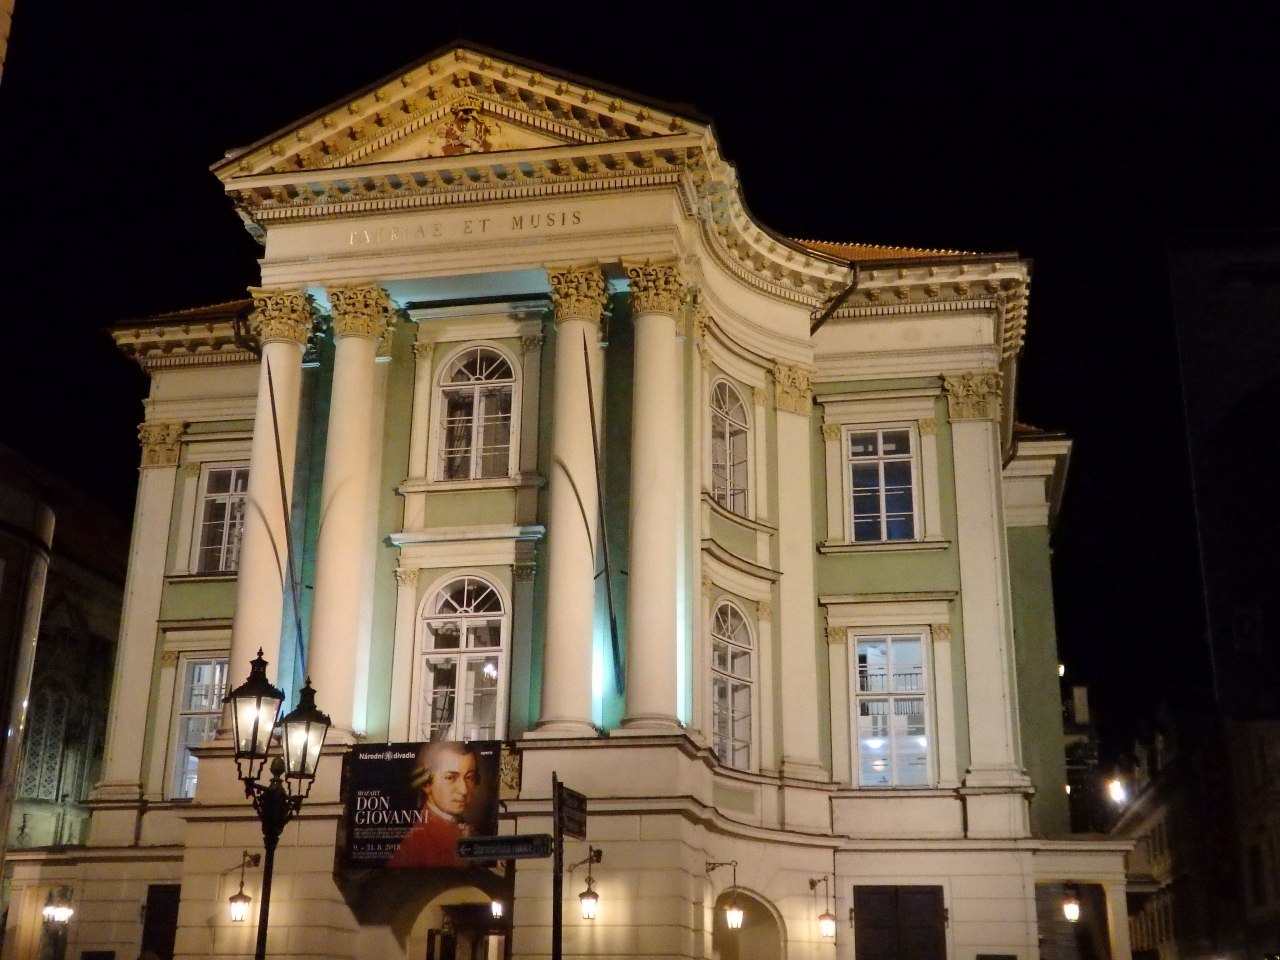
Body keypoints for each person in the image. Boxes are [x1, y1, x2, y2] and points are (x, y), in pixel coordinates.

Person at [386, 741, 479, 868]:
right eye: (451, 777)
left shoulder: (457, 824)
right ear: (427, 783)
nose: (464, 790)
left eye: (469, 777)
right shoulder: (417, 841)